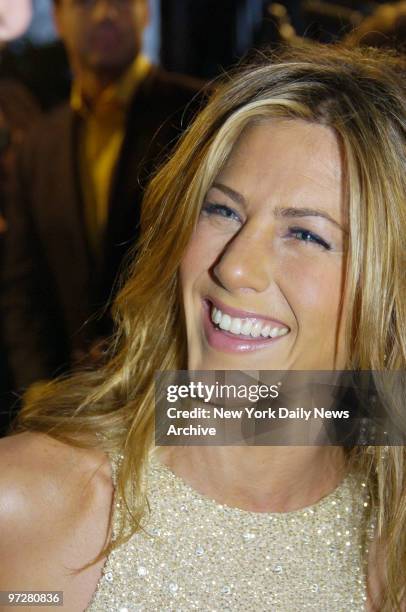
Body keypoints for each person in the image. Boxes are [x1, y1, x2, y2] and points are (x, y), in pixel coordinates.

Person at [0, 44, 405, 611]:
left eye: (307, 235)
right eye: (224, 211)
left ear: (390, 289)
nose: (235, 266)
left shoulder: (390, 542)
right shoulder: (27, 503)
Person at [0, 0, 203, 392]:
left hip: (179, 392)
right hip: (72, 401)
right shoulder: (39, 145)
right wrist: (40, 390)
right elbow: (23, 287)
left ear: (146, 13)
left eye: (122, 1)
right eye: (85, 3)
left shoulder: (200, 115)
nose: (104, 13)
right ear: (58, 19)